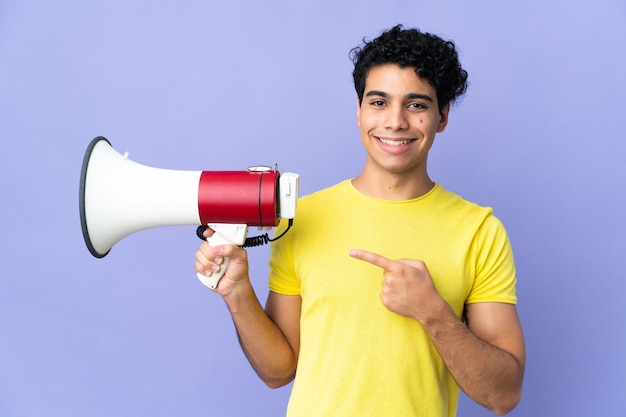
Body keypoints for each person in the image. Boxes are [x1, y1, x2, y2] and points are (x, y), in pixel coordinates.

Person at [195, 24, 525, 417]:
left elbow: (503, 395)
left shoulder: (480, 232)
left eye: (417, 105)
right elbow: (278, 371)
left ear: (443, 116)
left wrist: (432, 312)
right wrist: (237, 294)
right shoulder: (304, 218)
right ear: (359, 110)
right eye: (379, 102)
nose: (395, 122)